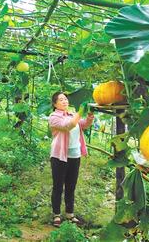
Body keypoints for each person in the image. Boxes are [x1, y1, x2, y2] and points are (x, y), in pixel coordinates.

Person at [48, 92, 94, 227]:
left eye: (65, 99)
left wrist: (89, 118)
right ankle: (56, 215)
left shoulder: (72, 114)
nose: (64, 101)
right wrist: (80, 112)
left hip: (75, 155)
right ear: (55, 104)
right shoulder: (54, 117)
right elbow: (69, 125)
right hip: (59, 156)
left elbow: (82, 125)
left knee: (71, 185)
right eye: (61, 100)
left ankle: (70, 214)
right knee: (58, 186)